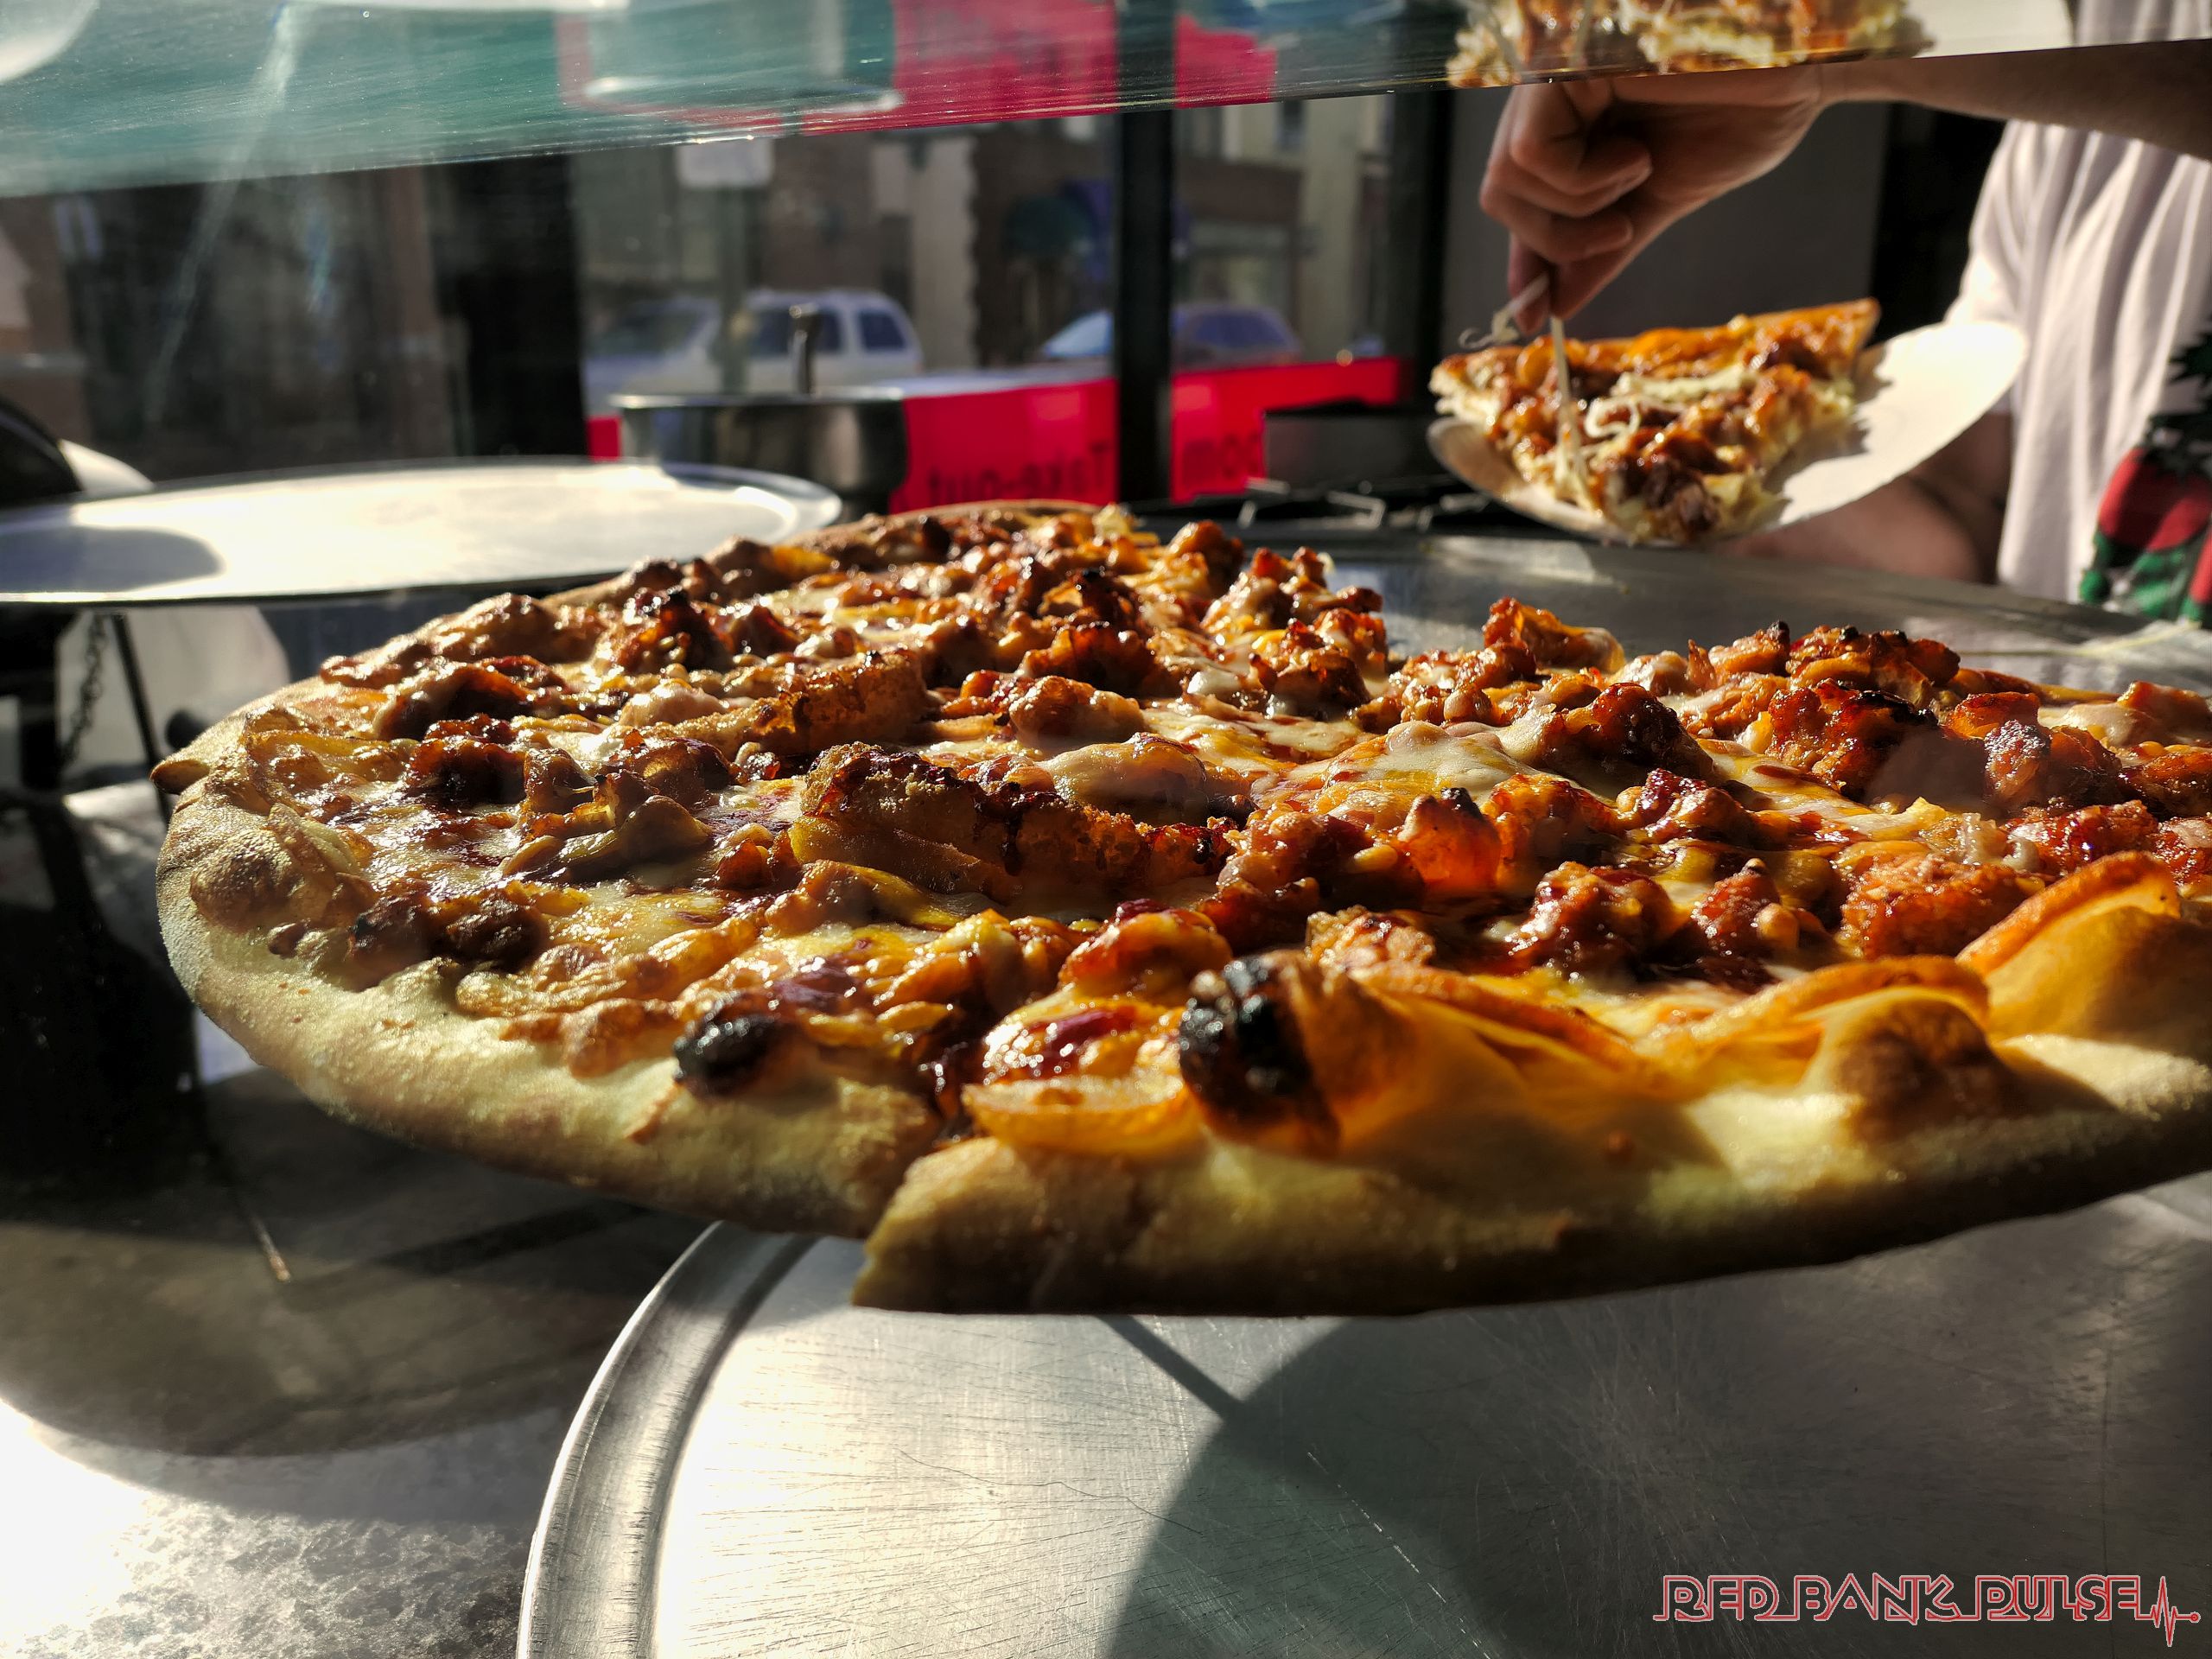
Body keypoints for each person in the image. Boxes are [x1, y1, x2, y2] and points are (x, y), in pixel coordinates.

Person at [1477, 2, 2212, 616]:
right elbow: (1966, 513)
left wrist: (1825, 45)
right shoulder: (2061, 119)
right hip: (2074, 733)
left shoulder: (2068, 58)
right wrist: (1708, 507)